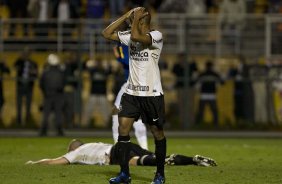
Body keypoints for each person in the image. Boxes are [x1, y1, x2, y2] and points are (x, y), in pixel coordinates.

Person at [102, 7, 167, 184]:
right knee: (123, 129)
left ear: (142, 20)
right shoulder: (129, 35)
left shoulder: (156, 36)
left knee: (157, 132)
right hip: (131, 93)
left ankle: (160, 174)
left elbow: (138, 37)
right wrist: (125, 15)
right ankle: (124, 174)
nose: (131, 20)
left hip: (152, 94)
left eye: (134, 19)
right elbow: (107, 33)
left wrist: (136, 15)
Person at [25, 139, 217, 167]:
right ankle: (192, 159)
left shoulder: (77, 153)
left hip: (113, 153)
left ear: (73, 148)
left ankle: (188, 160)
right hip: (122, 144)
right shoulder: (94, 143)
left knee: (139, 163)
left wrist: (34, 163)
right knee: (158, 159)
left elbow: (53, 161)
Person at [112, 41, 148, 150]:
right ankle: (118, 147)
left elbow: (133, 61)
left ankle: (143, 149)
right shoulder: (124, 43)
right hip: (131, 82)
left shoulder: (138, 44)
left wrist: (119, 57)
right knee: (117, 111)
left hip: (137, 82)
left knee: (136, 115)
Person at [39, 54, 66, 136]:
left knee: (46, 114)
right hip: (58, 95)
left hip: (48, 95)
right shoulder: (61, 72)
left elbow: (41, 84)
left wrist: (45, 92)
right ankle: (59, 131)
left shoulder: (45, 72)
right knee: (58, 114)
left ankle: (43, 131)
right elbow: (63, 83)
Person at [194, 60, 224, 128]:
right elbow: (222, 82)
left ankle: (199, 124)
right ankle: (215, 124)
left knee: (201, 110)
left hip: (204, 94)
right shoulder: (214, 74)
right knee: (213, 110)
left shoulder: (202, 74)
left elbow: (196, 82)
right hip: (211, 94)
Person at [14, 47, 38, 126]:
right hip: (20, 85)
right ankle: (19, 120)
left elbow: (36, 74)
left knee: (28, 104)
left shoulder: (33, 63)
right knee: (19, 104)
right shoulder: (19, 61)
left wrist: (33, 72)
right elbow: (14, 66)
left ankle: (27, 120)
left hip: (29, 86)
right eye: (24, 53)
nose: (26, 55)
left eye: (27, 53)